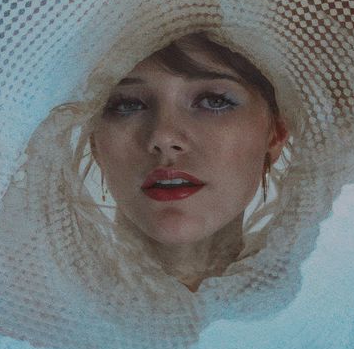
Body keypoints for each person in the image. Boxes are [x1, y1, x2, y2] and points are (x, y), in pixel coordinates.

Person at [85, 32, 290, 292]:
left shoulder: (327, 313)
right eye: (128, 104)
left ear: (275, 134)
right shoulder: (35, 310)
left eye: (214, 101)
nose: (164, 137)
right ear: (95, 143)